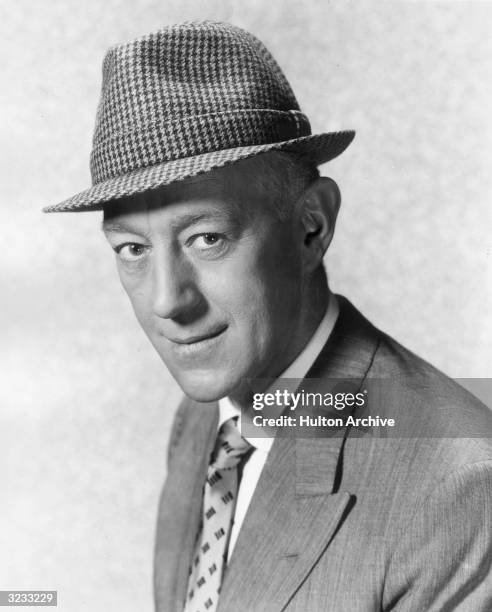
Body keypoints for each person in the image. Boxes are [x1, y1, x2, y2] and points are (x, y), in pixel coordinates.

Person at [44, 21, 492, 612]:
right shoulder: (206, 419)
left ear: (312, 226)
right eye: (132, 249)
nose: (166, 302)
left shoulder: (459, 486)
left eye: (207, 238)